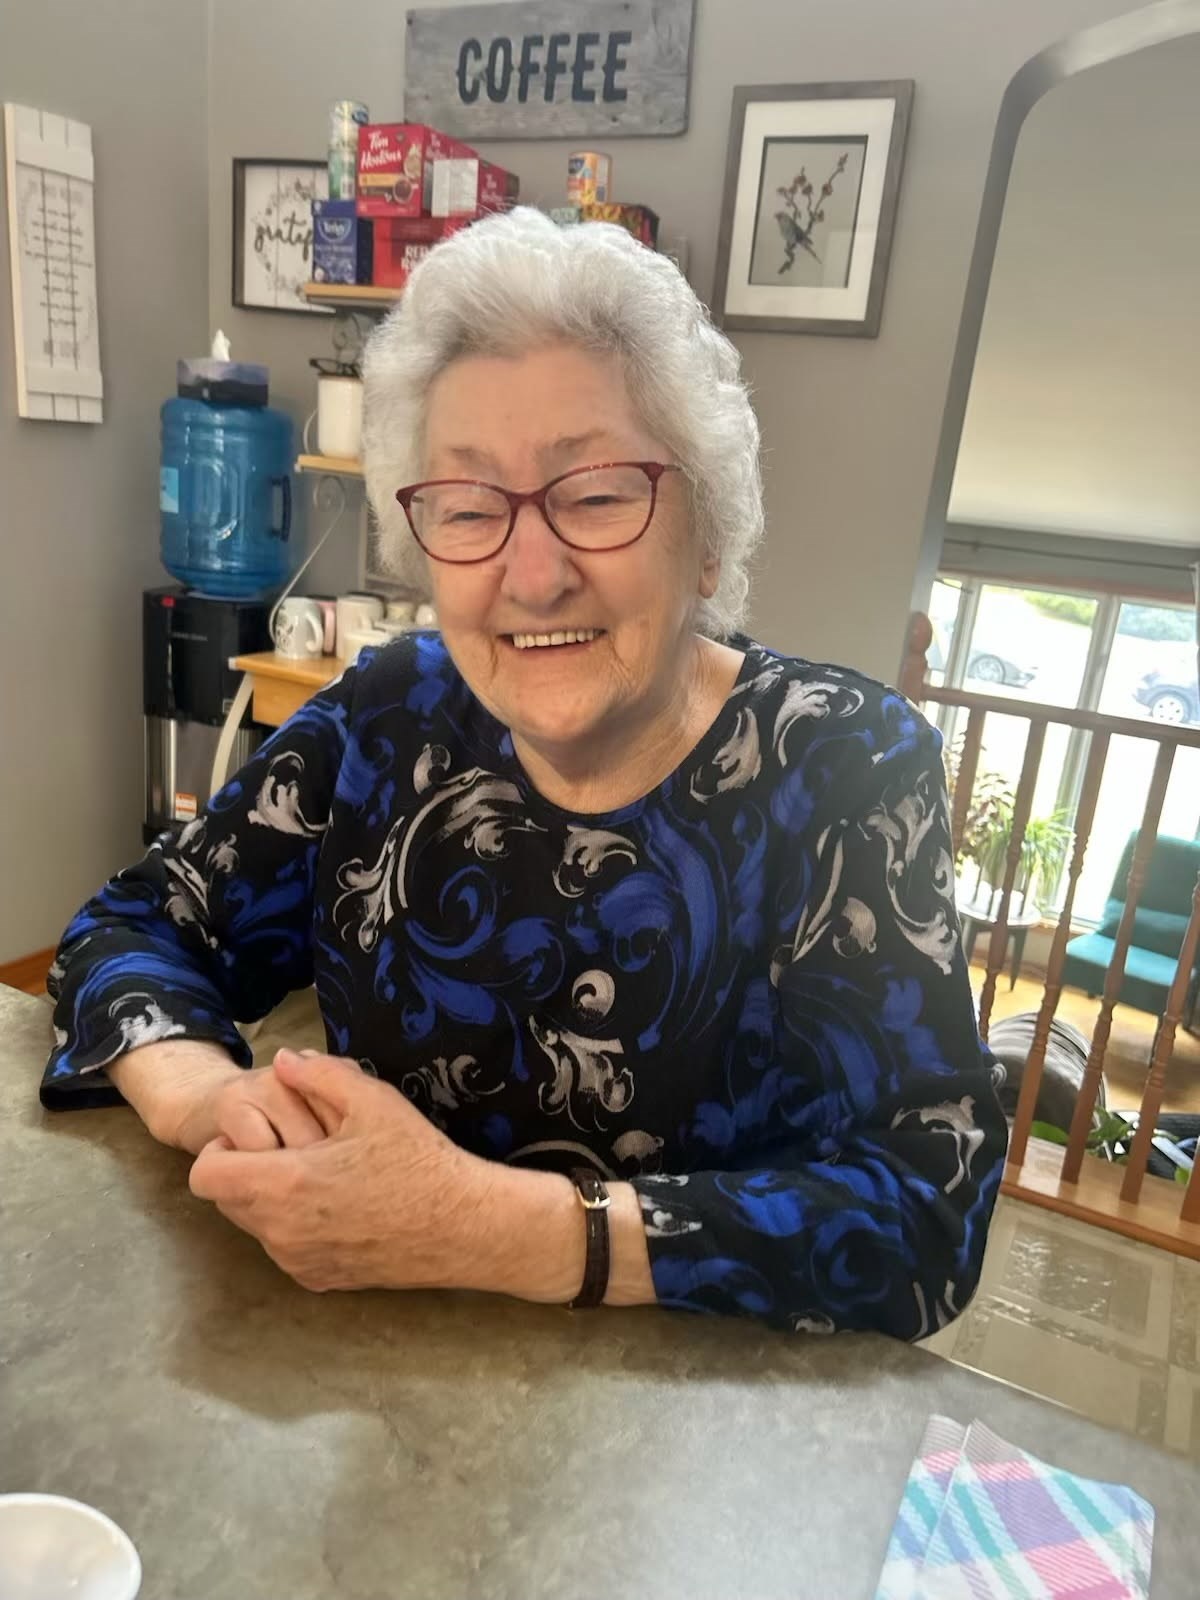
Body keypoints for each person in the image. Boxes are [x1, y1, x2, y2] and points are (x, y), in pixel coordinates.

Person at [42, 207, 1006, 1336]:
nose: (532, 575)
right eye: (469, 507)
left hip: (699, 1414)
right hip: (374, 1366)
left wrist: (487, 1227)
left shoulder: (842, 764)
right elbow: (134, 925)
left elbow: (927, 1208)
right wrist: (210, 1098)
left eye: (595, 494)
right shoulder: (392, 711)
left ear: (707, 537)